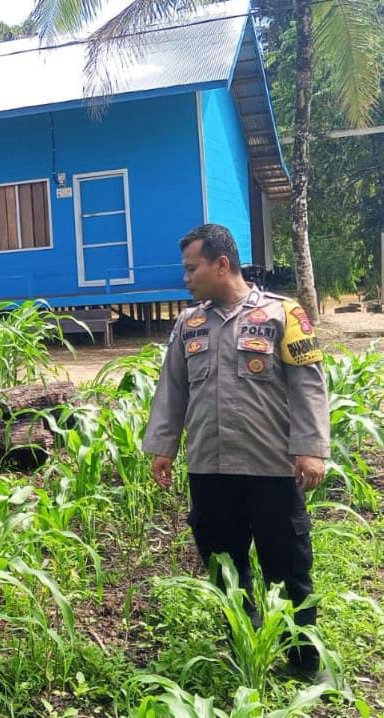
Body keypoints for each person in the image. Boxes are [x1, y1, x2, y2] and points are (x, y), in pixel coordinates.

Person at [142, 224, 330, 682]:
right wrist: (162, 447)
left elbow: (309, 386)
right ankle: (244, 647)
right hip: (210, 469)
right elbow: (172, 391)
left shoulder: (282, 314)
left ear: (220, 264)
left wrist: (310, 449)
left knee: (287, 565)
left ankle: (303, 661)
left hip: (271, 469)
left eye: (192, 268)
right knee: (225, 565)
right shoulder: (189, 325)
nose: (185, 278)